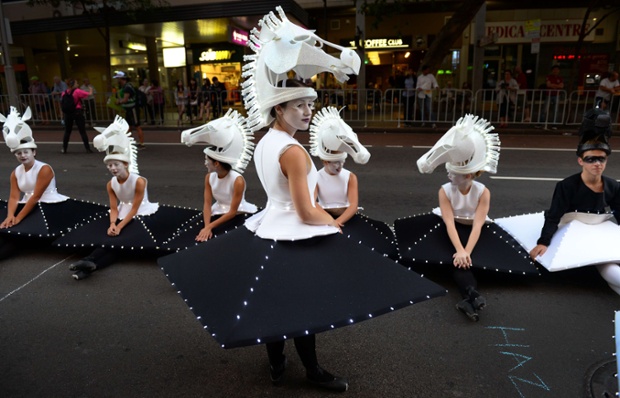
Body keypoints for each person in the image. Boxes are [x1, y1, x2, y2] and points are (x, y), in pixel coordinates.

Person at [529, 108, 620, 295]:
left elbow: (619, 213)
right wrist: (543, 242)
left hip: (599, 230)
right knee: (605, 264)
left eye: (601, 159)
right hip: (573, 232)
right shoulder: (567, 186)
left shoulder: (612, 186)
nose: (597, 163)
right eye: (591, 159)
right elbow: (554, 216)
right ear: (581, 161)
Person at [164, 109, 258, 251]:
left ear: (216, 163)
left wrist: (209, 227)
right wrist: (206, 226)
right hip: (217, 211)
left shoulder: (238, 180)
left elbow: (233, 211)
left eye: (206, 160)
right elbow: (207, 205)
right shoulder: (209, 177)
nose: (204, 163)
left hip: (238, 214)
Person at [61, 78, 94, 153]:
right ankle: (87, 148)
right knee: (82, 131)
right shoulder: (77, 91)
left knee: (67, 131)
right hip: (77, 112)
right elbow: (89, 94)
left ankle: (64, 148)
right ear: (73, 84)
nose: (78, 85)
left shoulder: (64, 93)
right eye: (76, 83)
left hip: (68, 114)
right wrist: (90, 89)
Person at [113, 71, 144, 148]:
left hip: (133, 108)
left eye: (118, 78)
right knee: (128, 126)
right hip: (129, 109)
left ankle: (142, 143)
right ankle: (129, 142)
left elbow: (125, 99)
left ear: (121, 78)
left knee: (137, 126)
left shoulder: (127, 87)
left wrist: (119, 102)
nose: (117, 80)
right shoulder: (126, 86)